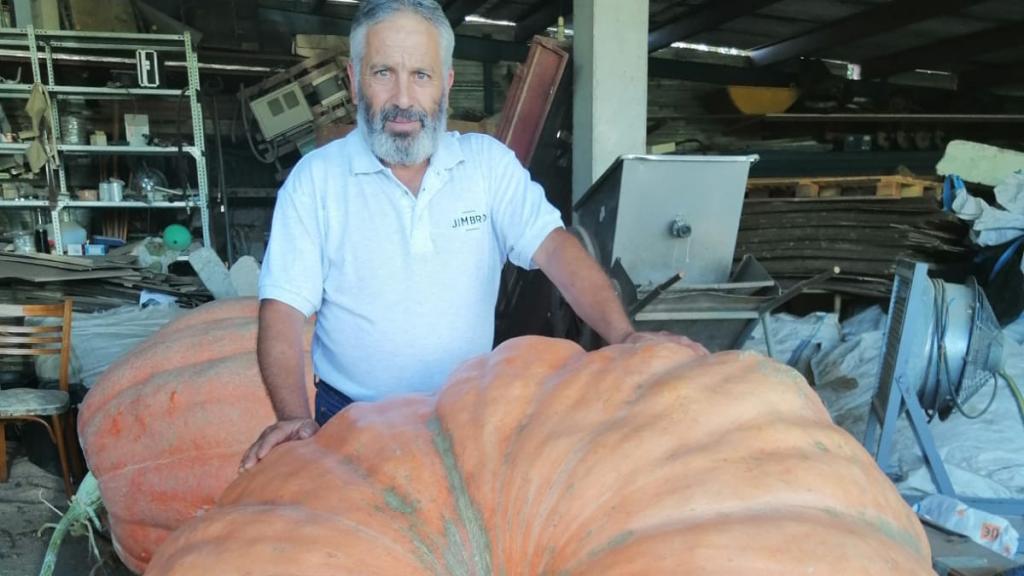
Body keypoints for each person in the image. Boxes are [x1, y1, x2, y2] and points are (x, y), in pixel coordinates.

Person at [239, 0, 705, 471]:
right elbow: (283, 310)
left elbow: (556, 249)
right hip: (352, 421)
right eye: (383, 73)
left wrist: (623, 336)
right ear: (353, 82)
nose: (403, 98)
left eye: (421, 75)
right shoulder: (315, 180)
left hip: (469, 416)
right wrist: (297, 420)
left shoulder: (487, 166)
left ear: (447, 84)